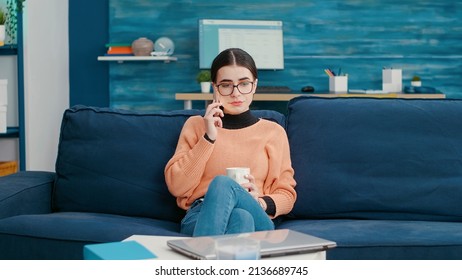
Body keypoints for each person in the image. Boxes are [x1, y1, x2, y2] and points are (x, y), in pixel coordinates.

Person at [164, 48, 296, 237]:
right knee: (241, 219)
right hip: (201, 214)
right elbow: (177, 186)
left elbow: (287, 195)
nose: (236, 93)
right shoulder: (196, 126)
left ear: (255, 85)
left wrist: (260, 201)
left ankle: (203, 259)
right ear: (215, 87)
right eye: (226, 85)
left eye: (244, 84)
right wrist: (208, 137)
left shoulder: (273, 132)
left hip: (257, 212)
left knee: (224, 185)